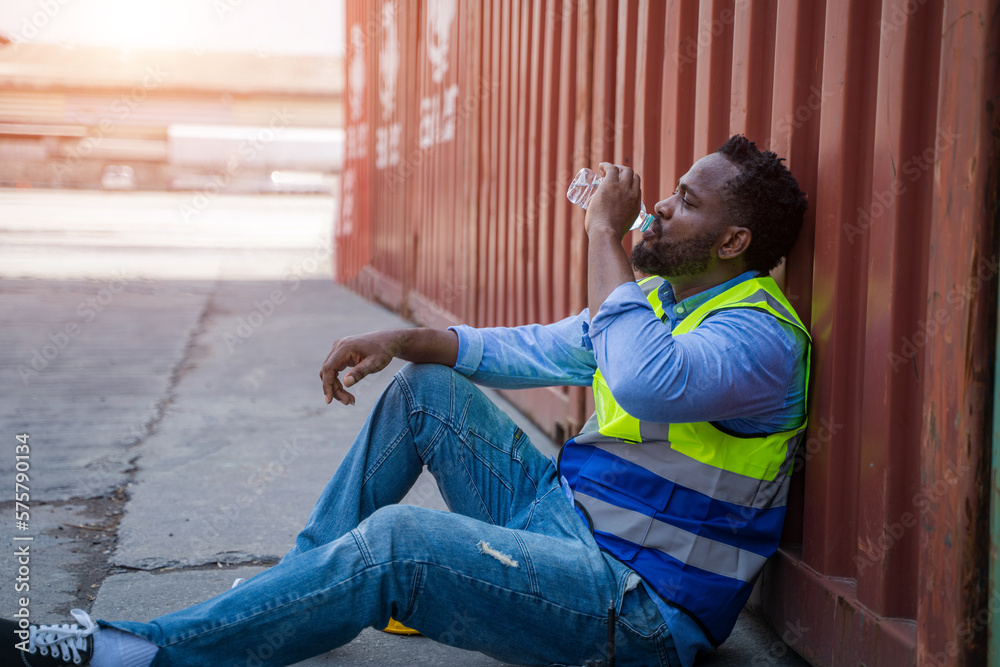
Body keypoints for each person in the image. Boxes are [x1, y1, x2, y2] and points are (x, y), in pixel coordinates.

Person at [4, 134, 810, 667]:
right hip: (566, 526)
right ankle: (298, 585)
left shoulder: (759, 341)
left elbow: (638, 378)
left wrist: (605, 235)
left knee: (399, 544)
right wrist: (400, 341)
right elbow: (527, 348)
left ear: (734, 243)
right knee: (428, 387)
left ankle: (140, 652)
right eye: (671, 190)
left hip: (633, 606)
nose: (660, 205)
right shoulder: (673, 303)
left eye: (688, 201)